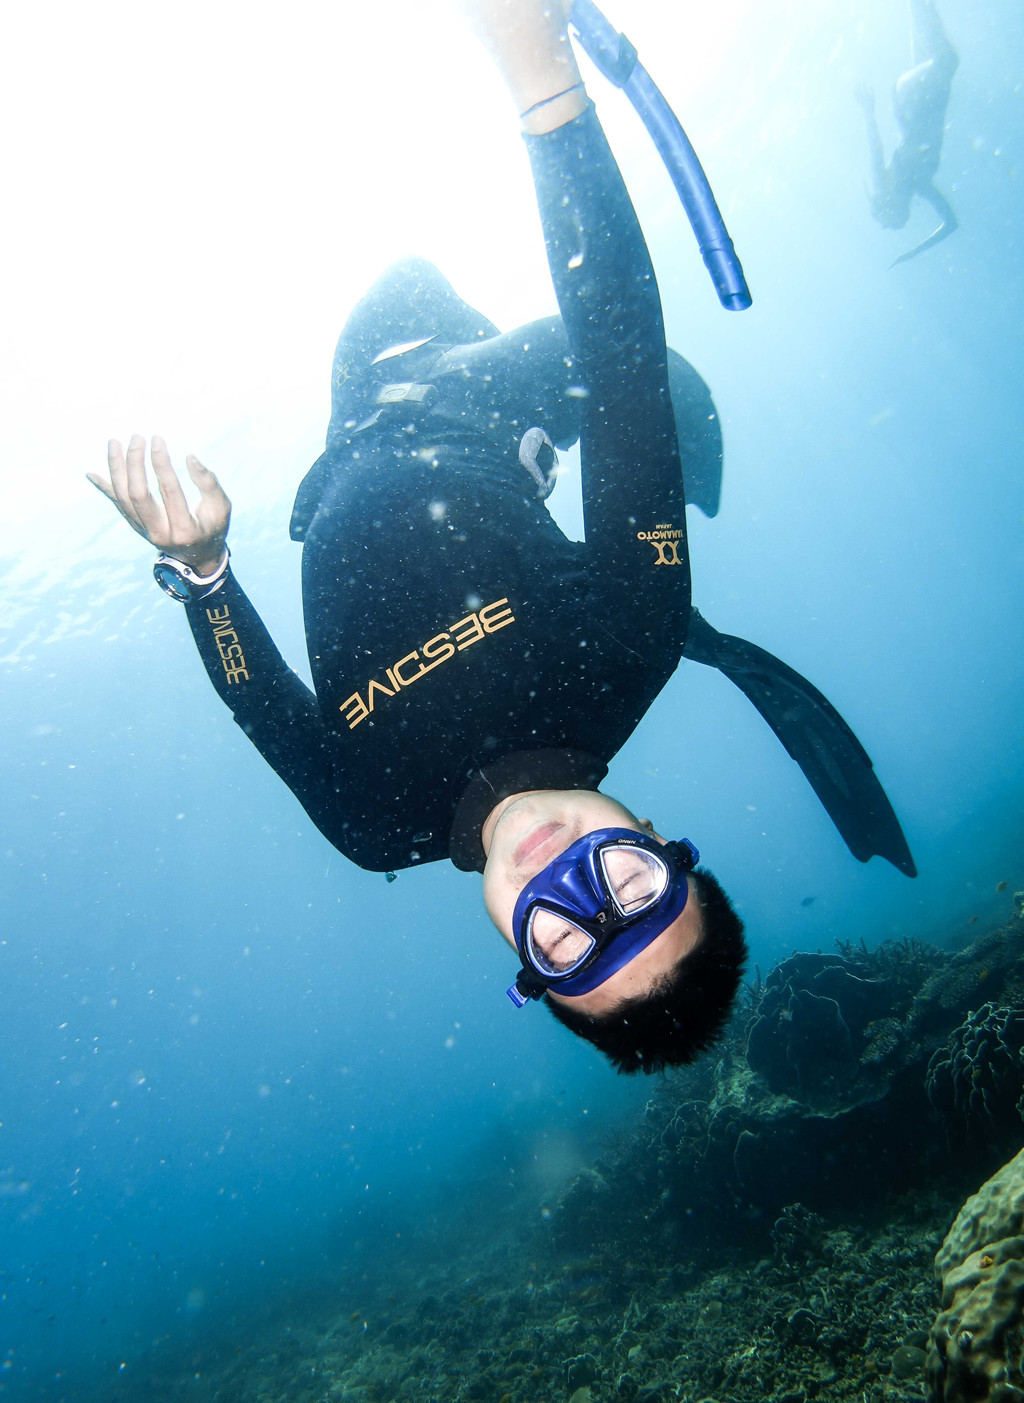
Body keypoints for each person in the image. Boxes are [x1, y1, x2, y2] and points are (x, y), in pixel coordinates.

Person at [88, 0, 914, 1075]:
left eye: (568, 940)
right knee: (643, 385)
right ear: (659, 841)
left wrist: (202, 574)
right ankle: (542, 444)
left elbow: (256, 696)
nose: (565, 881)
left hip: (348, 431)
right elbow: (620, 357)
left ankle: (533, 449)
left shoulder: (375, 823)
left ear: (524, 970)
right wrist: (545, 87)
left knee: (381, 292)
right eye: (628, 891)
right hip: (476, 393)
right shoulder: (631, 639)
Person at [856, 0, 959, 264]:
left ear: (891, 204)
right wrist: (913, 252)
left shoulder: (901, 181)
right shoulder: (920, 186)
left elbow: (875, 148)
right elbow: (951, 223)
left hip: (911, 101)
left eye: (895, 215)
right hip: (927, 99)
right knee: (922, 17)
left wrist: (868, 110)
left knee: (946, 59)